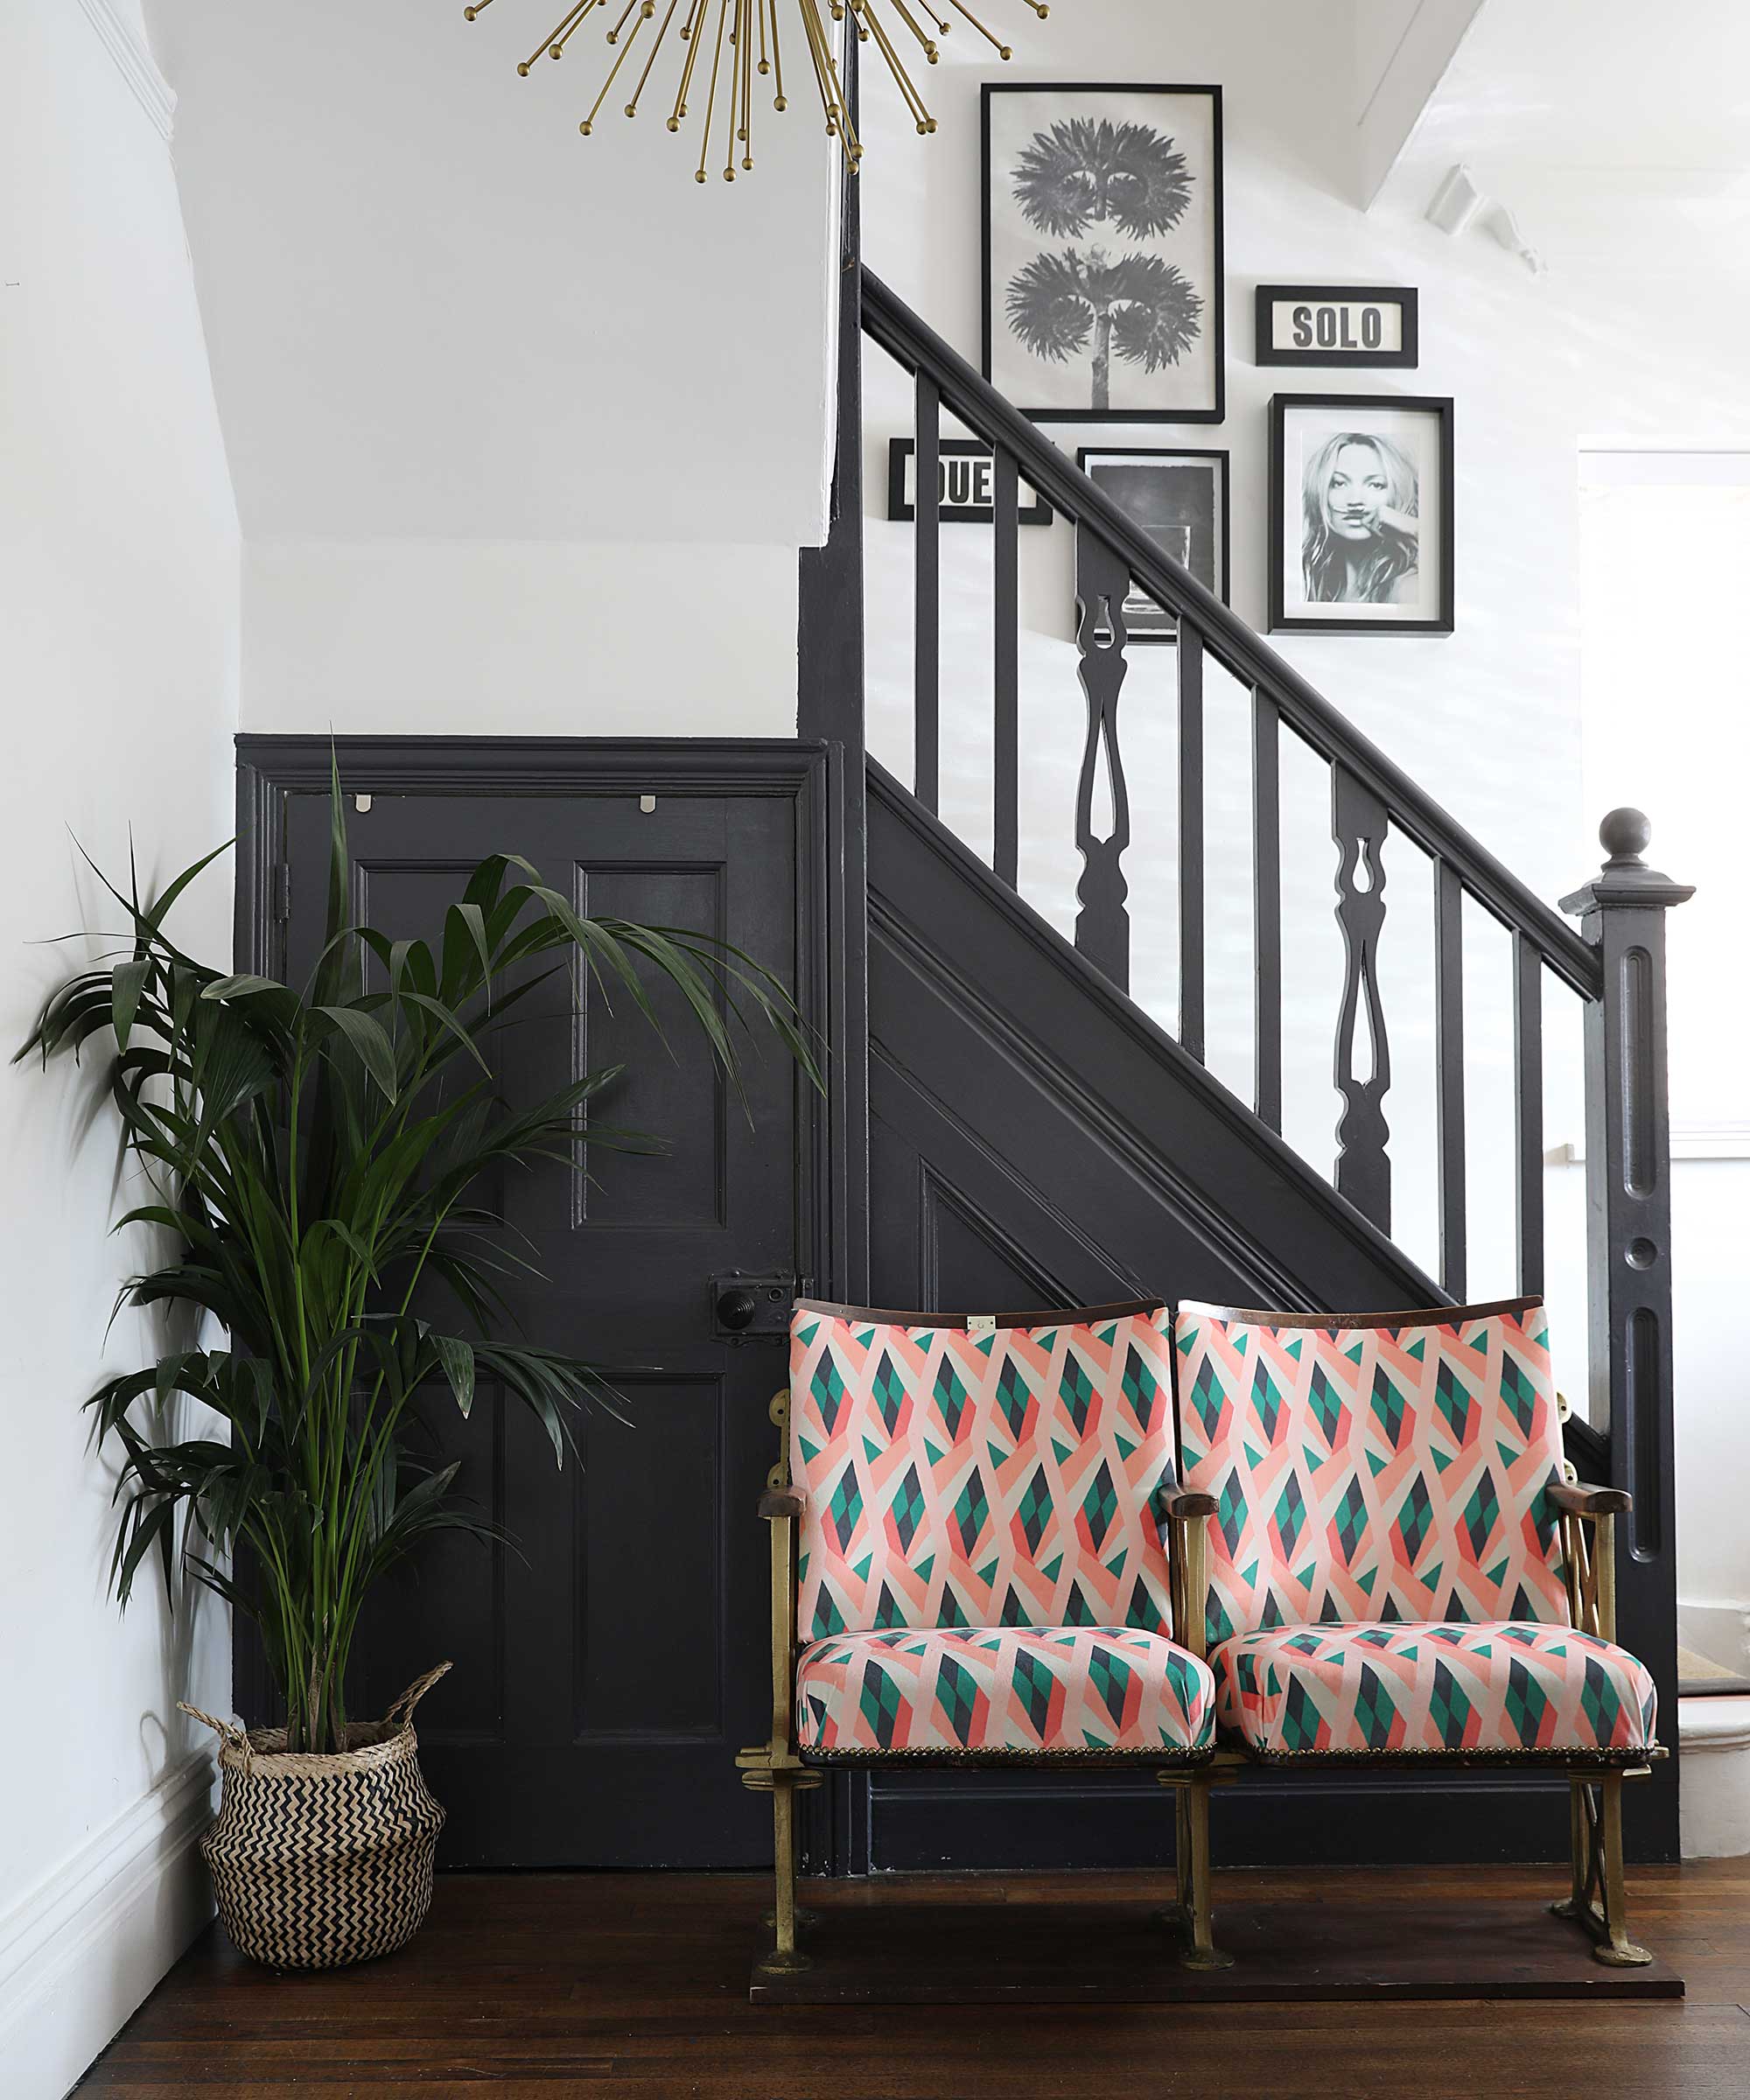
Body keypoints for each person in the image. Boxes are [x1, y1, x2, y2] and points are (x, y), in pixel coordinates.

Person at [1300, 431, 1420, 606]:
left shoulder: (1408, 589)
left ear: (1396, 492)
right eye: (1339, 483)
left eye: (1376, 485)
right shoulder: (1319, 586)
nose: (1355, 500)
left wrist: (1411, 527)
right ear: (1320, 492)